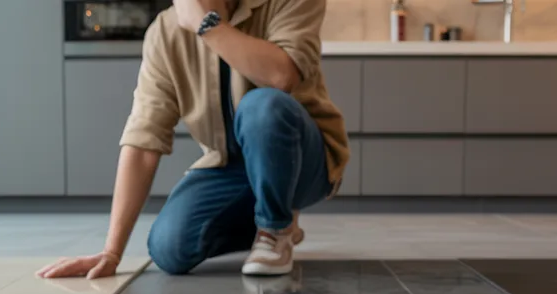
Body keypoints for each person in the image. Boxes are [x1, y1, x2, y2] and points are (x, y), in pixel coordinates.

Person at [37, 0, 348, 279]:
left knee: (262, 105)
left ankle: (274, 229)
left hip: (303, 160)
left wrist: (208, 26)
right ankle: (273, 216)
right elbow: (144, 138)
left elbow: (281, 76)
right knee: (169, 249)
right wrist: (111, 251)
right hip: (230, 165)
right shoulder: (165, 31)